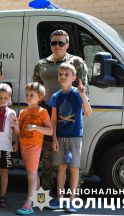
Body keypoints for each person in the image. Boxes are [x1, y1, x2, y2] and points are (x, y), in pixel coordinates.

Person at [33, 30, 88, 194]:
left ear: (67, 45)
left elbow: (83, 88)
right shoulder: (41, 64)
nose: (57, 46)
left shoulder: (76, 62)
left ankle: (72, 190)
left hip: (71, 108)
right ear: (50, 45)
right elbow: (37, 88)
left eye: (61, 43)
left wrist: (81, 110)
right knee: (49, 151)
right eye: (54, 43)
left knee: (69, 152)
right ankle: (48, 188)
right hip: (48, 109)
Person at [49, 63, 92, 213]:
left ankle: (72, 201)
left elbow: (88, 112)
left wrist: (82, 95)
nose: (63, 76)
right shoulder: (56, 96)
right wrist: (54, 139)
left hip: (74, 137)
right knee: (60, 168)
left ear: (73, 78)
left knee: (74, 169)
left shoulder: (77, 94)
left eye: (67, 74)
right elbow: (53, 120)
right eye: (61, 74)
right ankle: (59, 199)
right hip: (60, 137)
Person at [13, 83, 53, 215]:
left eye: (32, 95)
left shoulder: (42, 111)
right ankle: (39, 200)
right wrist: (15, 125)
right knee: (34, 174)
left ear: (39, 98)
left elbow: (50, 131)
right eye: (26, 94)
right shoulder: (23, 112)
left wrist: (35, 127)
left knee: (31, 176)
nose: (28, 97)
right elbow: (19, 133)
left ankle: (28, 205)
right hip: (24, 146)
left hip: (34, 146)